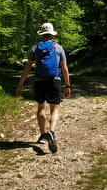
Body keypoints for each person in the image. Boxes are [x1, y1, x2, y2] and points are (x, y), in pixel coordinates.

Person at [16, 22, 71, 153]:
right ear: (52, 34)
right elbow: (64, 68)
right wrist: (67, 85)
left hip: (39, 81)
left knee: (41, 107)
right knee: (55, 109)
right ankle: (51, 132)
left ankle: (42, 135)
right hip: (54, 81)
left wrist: (20, 85)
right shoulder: (58, 48)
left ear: (41, 34)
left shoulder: (35, 48)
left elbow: (28, 68)